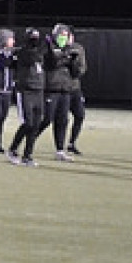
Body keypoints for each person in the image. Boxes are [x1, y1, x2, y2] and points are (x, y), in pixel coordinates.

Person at [41, 23, 83, 162]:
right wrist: (65, 56)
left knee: (62, 120)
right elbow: (51, 63)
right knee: (46, 119)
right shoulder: (49, 48)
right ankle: (30, 139)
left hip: (66, 90)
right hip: (51, 89)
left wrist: (74, 61)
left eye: (65, 36)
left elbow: (76, 73)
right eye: (61, 35)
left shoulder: (71, 49)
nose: (63, 38)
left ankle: (60, 150)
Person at [7, 27, 48, 166]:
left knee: (36, 125)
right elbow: (32, 57)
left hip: (39, 90)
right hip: (26, 91)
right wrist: (44, 47)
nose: (35, 41)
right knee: (28, 123)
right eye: (33, 38)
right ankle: (13, 149)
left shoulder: (40, 52)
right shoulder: (24, 52)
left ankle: (27, 155)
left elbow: (50, 62)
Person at [64, 30, 89, 156]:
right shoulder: (59, 49)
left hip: (74, 88)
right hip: (61, 89)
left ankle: (71, 144)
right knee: (51, 119)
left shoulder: (78, 48)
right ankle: (32, 138)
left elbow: (82, 68)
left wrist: (75, 67)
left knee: (80, 115)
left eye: (69, 35)